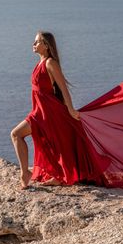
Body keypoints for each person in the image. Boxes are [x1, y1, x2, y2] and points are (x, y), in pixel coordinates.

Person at [10, 31, 97, 190]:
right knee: (21, 136)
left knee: (20, 135)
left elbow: (63, 88)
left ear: (47, 46)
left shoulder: (50, 63)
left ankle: (36, 175)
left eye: (37, 42)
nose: (33, 44)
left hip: (50, 112)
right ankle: (30, 173)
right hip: (39, 111)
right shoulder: (40, 63)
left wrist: (70, 109)